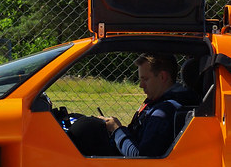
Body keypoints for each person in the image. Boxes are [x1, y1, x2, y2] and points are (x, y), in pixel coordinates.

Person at [68, 53, 196, 157]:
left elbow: (141, 158)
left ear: (163, 77)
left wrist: (116, 129)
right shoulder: (157, 103)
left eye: (145, 79)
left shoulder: (164, 112)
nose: (141, 85)